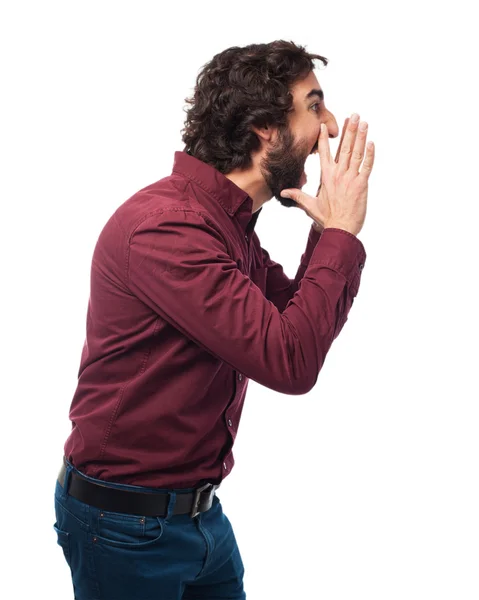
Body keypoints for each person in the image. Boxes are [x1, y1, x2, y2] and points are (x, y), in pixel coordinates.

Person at [53, 39, 375, 600]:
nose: (330, 126)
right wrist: (342, 235)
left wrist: (328, 234)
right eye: (314, 106)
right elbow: (291, 361)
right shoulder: (168, 229)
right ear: (265, 130)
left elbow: (297, 321)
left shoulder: (228, 227)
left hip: (200, 516)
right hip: (125, 527)